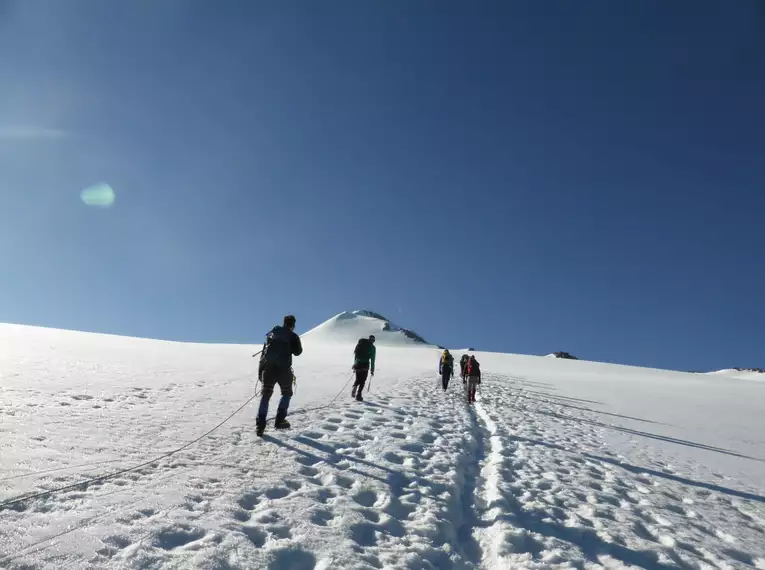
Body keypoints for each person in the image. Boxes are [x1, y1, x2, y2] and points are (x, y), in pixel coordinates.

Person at [256, 315, 303, 436]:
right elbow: (298, 352)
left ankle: (260, 425)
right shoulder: (293, 336)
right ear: (293, 325)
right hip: (283, 369)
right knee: (287, 393)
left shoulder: (273, 332)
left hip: (268, 368)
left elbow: (266, 346)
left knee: (266, 395)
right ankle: (280, 420)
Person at [351, 335, 376, 402]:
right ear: (373, 340)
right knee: (363, 381)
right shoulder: (373, 348)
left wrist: (355, 364)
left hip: (358, 364)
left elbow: (356, 355)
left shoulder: (361, 344)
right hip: (365, 365)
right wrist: (372, 369)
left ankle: (354, 387)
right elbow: (372, 359)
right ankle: (359, 395)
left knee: (357, 379)